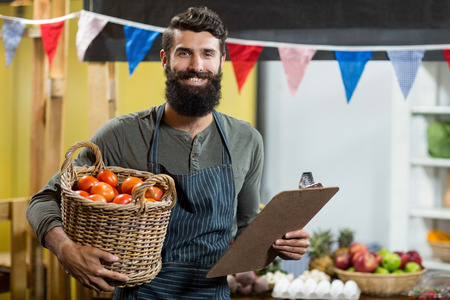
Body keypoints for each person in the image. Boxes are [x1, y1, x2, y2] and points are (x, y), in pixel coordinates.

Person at [26, 6, 310, 299]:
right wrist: (66, 250)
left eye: (208, 54)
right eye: (184, 52)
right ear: (165, 60)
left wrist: (278, 245)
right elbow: (43, 201)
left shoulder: (246, 140)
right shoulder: (122, 135)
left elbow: (246, 231)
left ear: (222, 61)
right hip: (140, 294)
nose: (196, 65)